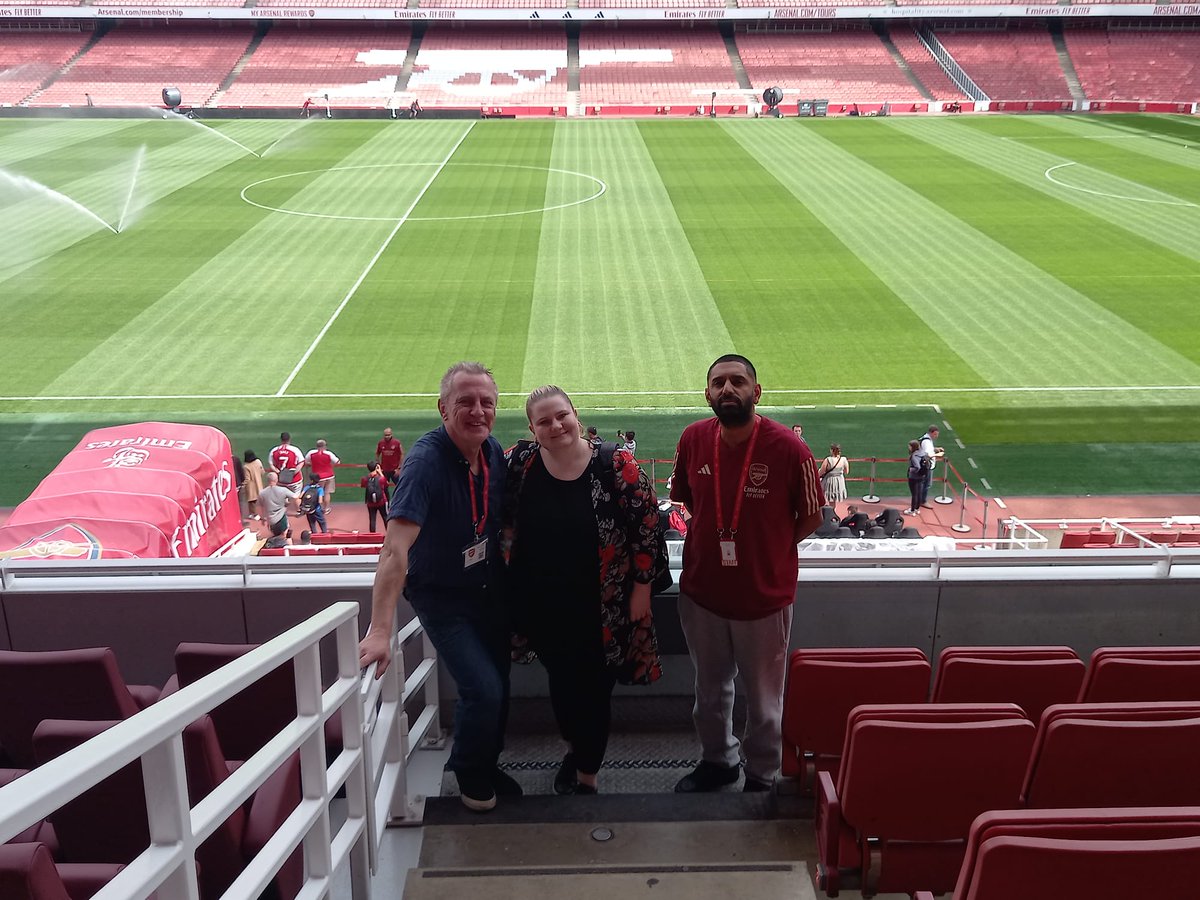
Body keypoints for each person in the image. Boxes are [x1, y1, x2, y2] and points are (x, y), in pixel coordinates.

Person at [358, 361, 519, 813]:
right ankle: (468, 774)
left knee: (500, 682)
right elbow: (393, 550)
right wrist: (379, 629)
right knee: (482, 688)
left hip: (487, 587)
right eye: (465, 401)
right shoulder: (425, 463)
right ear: (443, 408)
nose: (477, 411)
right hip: (442, 597)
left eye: (486, 402)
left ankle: (487, 763)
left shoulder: (491, 453)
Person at [669, 354, 824, 793]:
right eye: (718, 383)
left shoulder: (789, 448)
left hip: (763, 597)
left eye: (737, 381)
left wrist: (770, 549)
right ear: (707, 394)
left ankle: (761, 774)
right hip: (703, 593)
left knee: (765, 702)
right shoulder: (694, 438)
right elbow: (692, 501)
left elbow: (812, 516)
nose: (727, 389)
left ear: (756, 392)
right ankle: (718, 761)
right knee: (709, 692)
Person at [503, 386, 663, 796]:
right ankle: (577, 751)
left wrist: (642, 590)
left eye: (561, 416)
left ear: (576, 415)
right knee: (562, 686)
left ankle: (586, 777)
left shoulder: (616, 464)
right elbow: (502, 520)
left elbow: (647, 527)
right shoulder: (521, 462)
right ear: (531, 428)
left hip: (605, 607)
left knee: (593, 692)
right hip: (545, 607)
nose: (555, 426)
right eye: (544, 421)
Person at [258, 472, 299, 537]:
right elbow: (296, 497)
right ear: (276, 479)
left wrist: (262, 518)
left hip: (271, 521)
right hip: (281, 519)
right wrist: (296, 508)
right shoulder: (283, 490)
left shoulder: (262, 493)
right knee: (285, 536)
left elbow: (260, 507)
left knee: (276, 536)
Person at [304, 439, 340, 512]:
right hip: (329, 475)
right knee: (327, 493)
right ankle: (326, 508)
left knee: (317, 493)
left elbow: (305, 461)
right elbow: (337, 462)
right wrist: (330, 465)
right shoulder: (329, 453)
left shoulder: (311, 453)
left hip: (317, 477)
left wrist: (312, 464)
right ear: (325, 446)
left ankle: (317, 508)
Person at [918, 425, 945, 509]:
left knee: (923, 484)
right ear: (931, 433)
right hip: (927, 466)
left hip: (925, 465)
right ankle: (923, 501)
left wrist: (935, 449)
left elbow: (928, 449)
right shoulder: (926, 441)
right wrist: (938, 454)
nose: (936, 436)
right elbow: (928, 454)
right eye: (935, 434)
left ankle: (920, 499)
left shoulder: (926, 439)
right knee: (926, 484)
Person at [818, 444, 849, 516]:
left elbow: (821, 471)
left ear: (832, 450)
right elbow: (846, 471)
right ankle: (832, 514)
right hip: (839, 481)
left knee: (826, 497)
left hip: (829, 481)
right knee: (834, 500)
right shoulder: (844, 459)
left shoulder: (828, 460)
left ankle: (827, 515)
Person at [361, 461, 389, 533]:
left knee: (372, 519)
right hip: (382, 501)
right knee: (385, 517)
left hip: (370, 503)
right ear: (376, 467)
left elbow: (363, 485)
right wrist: (380, 473)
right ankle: (389, 533)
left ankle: (372, 536)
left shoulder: (365, 479)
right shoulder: (381, 478)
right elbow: (386, 484)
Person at [905, 439, 928, 516]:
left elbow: (917, 467)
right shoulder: (922, 453)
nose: (908, 448)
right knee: (919, 493)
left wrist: (910, 470)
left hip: (914, 477)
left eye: (909, 446)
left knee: (914, 494)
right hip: (922, 476)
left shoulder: (914, 456)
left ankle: (912, 510)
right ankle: (917, 509)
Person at [243, 450, 265, 521]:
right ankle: (261, 514)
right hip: (259, 483)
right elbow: (262, 472)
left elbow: (247, 478)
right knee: (258, 500)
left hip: (250, 487)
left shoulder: (246, 466)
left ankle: (253, 514)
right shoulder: (258, 462)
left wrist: (242, 485)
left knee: (251, 501)